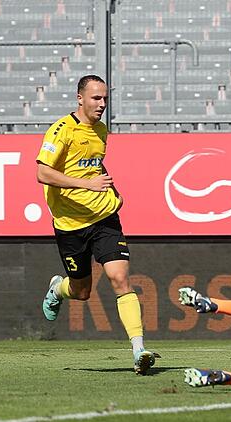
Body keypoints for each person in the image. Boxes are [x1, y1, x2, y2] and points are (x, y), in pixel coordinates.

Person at [36, 74, 158, 375]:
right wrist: (86, 185)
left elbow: (92, 164)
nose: (102, 104)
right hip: (69, 224)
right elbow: (43, 173)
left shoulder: (102, 130)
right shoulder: (61, 130)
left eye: (105, 98)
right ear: (80, 98)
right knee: (81, 293)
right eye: (95, 98)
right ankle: (57, 288)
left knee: (120, 279)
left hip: (104, 219)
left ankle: (139, 349)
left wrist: (110, 191)